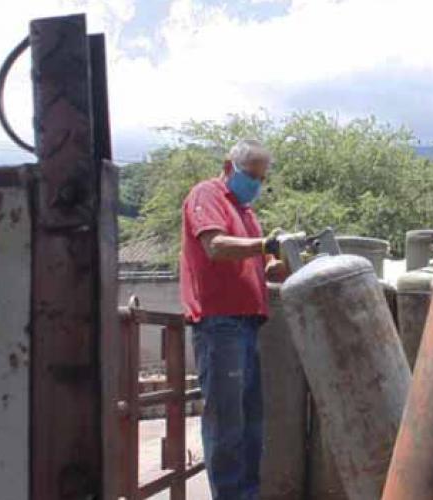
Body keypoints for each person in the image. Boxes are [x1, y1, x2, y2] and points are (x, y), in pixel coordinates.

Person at [179, 139, 286, 499]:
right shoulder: (206, 196)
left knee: (250, 425)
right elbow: (216, 246)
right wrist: (263, 246)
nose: (255, 184)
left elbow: (262, 263)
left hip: (246, 325)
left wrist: (280, 262)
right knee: (227, 424)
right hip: (219, 324)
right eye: (250, 176)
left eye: (260, 178)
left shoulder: (245, 211)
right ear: (228, 167)